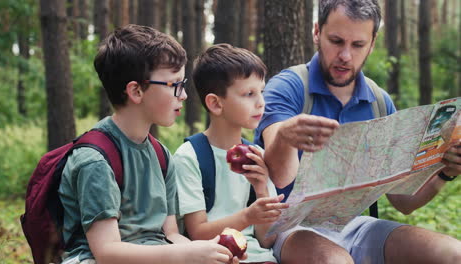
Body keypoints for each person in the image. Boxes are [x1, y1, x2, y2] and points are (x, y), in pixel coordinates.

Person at [254, 1, 461, 263]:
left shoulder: (378, 102)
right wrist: (285, 137)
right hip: (289, 229)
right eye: (336, 41)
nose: (345, 56)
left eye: (358, 45)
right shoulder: (287, 88)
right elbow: (281, 177)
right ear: (317, 32)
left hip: (357, 226)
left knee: (453, 254)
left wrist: (445, 172)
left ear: (372, 43)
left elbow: (403, 202)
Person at [58, 25, 240, 264]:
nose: (183, 95)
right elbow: (107, 251)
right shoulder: (96, 160)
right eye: (174, 85)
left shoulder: (161, 155)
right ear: (136, 91)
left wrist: (207, 253)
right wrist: (184, 255)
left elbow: (171, 234)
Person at [174, 44, 289, 264]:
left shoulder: (257, 155)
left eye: (261, 92)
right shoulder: (190, 157)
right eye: (249, 94)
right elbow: (197, 233)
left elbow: (266, 240)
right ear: (216, 104)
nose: (260, 102)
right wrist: (248, 216)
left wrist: (262, 188)